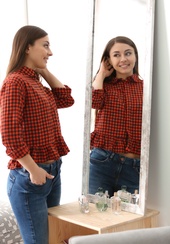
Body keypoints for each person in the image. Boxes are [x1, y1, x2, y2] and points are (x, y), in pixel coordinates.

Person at [0, 25, 74, 244]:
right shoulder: (15, 82)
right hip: (30, 177)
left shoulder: (36, 83)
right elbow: (10, 134)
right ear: (27, 47)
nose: (50, 52)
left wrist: (42, 70)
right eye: (45, 45)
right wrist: (34, 170)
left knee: (52, 239)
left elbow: (66, 99)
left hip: (51, 173)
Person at [89, 36, 143, 197]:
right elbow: (94, 102)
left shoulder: (145, 88)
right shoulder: (102, 85)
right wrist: (101, 74)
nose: (123, 59)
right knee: (95, 214)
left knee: (128, 219)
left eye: (128, 53)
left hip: (134, 166)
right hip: (102, 162)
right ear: (108, 60)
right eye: (116, 55)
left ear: (135, 56)